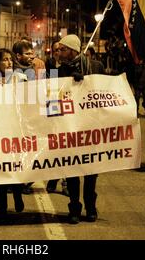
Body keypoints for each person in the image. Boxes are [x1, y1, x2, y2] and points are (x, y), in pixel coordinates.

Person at [57, 34, 98, 224]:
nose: (59, 52)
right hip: (70, 126)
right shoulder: (61, 70)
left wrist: (87, 82)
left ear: (73, 50)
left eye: (63, 49)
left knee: (91, 172)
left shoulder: (95, 66)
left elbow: (102, 91)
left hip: (91, 127)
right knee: (72, 170)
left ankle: (91, 207)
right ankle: (74, 208)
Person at [0, 48, 26, 219]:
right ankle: (1, 207)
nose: (9, 62)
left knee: (16, 164)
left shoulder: (20, 78)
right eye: (5, 60)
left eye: (10, 59)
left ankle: (17, 193)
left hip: (15, 128)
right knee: (0, 168)